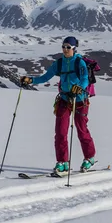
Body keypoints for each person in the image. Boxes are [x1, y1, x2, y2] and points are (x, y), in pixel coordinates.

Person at [20, 36, 96, 176]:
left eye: (68, 47)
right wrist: (30, 80)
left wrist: (79, 87)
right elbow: (45, 77)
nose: (65, 49)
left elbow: (85, 79)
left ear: (74, 48)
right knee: (60, 132)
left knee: (81, 130)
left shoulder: (79, 63)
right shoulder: (59, 63)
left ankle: (89, 158)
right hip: (64, 99)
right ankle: (62, 162)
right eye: (63, 47)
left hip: (80, 100)